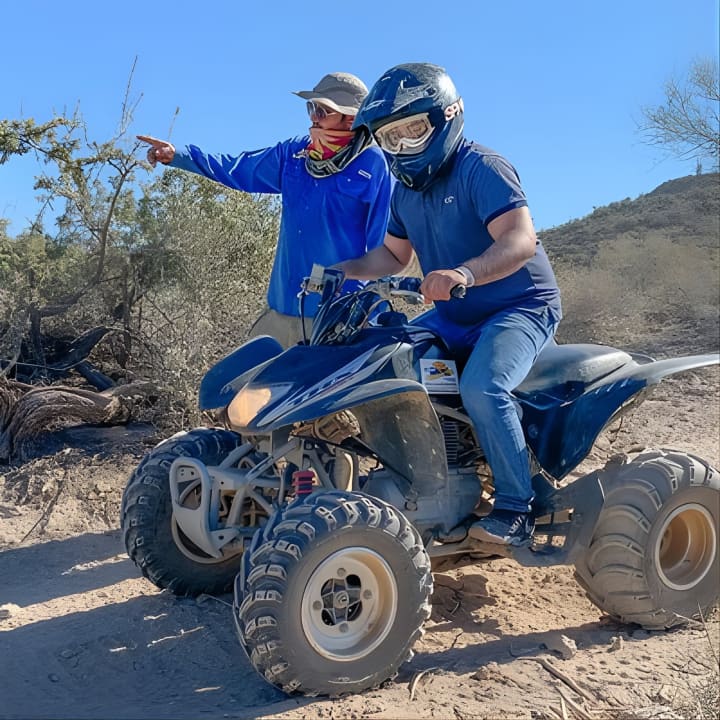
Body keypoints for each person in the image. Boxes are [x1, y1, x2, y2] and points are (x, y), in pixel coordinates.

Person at [336, 63, 562, 547]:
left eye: (412, 130)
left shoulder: (482, 168)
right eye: (389, 137)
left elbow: (521, 241)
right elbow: (394, 256)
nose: (401, 147)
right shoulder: (405, 192)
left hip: (519, 306)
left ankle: (515, 509)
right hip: (456, 314)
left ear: (446, 117)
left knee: (483, 387)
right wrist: (345, 271)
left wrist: (464, 273)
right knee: (385, 361)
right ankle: (427, 483)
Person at [137, 72, 392, 348]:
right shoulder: (294, 155)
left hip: (338, 321)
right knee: (249, 388)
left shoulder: (375, 166)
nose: (313, 118)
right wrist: (180, 156)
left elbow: (385, 252)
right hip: (280, 314)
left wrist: (365, 316)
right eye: (312, 108)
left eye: (323, 111)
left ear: (350, 119)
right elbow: (238, 168)